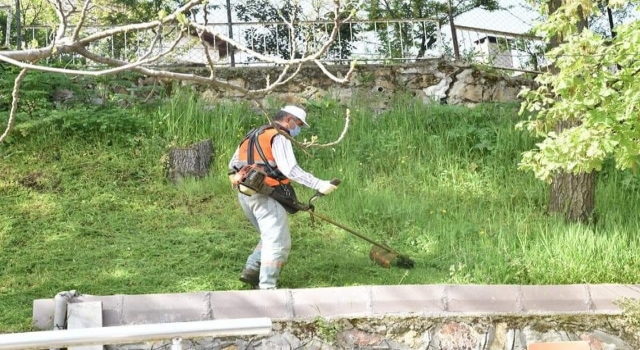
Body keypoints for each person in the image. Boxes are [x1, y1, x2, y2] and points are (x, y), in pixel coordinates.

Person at [227, 105, 338, 290]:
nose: (298, 129)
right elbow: (291, 170)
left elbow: (233, 165)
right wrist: (320, 184)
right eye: (299, 124)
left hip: (246, 194)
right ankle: (268, 289)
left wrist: (237, 178)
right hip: (266, 194)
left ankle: (252, 269)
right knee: (278, 242)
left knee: (269, 235)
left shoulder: (253, 134)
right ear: (289, 120)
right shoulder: (279, 135)